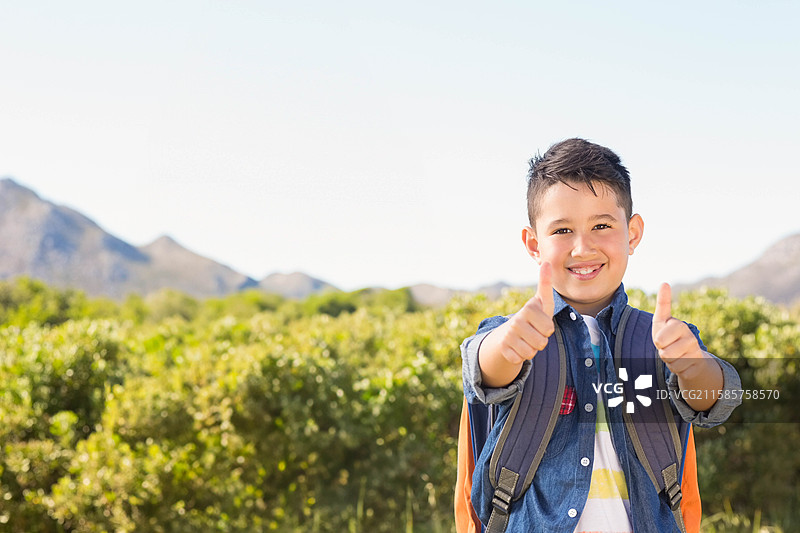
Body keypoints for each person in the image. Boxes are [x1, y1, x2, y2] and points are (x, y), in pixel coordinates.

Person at [455, 138, 742, 533]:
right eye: (563, 230)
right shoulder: (513, 332)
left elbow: (716, 398)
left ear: (633, 233)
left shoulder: (660, 338)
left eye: (602, 226)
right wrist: (507, 346)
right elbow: (482, 368)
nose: (583, 246)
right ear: (534, 244)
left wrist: (693, 368)